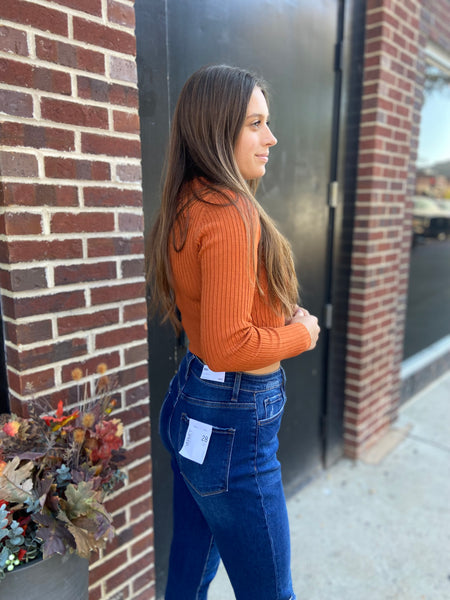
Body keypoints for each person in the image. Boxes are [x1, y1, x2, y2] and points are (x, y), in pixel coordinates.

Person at [146, 64, 320, 600]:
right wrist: (304, 334)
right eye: (255, 123)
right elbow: (230, 344)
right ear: (215, 127)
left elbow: (216, 316)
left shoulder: (190, 199)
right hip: (232, 427)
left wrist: (277, 310)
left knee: (188, 576)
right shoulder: (230, 211)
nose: (271, 138)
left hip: (196, 405)